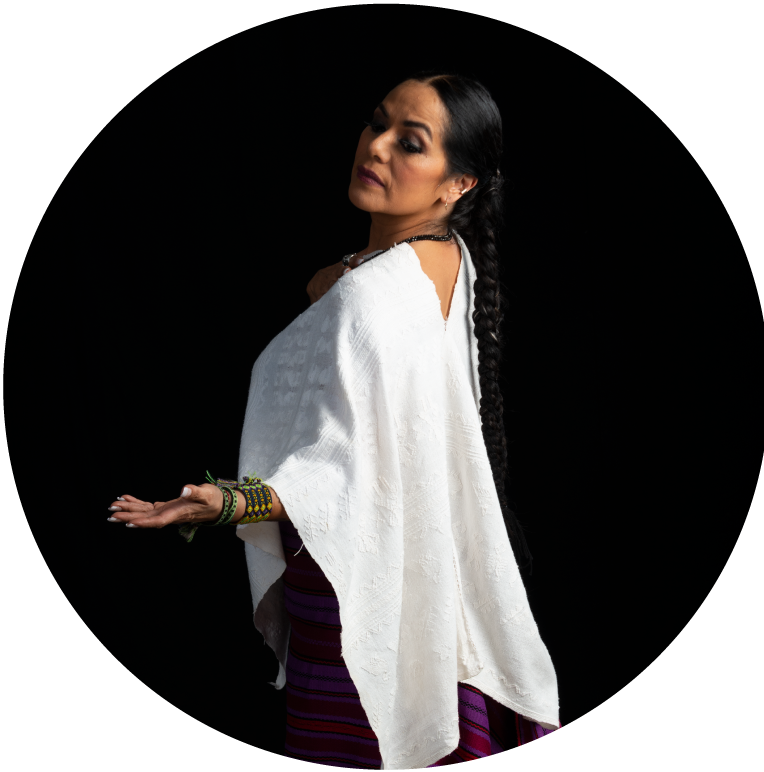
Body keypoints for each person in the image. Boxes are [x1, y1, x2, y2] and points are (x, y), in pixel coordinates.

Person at [107, 69, 561, 768]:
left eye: (409, 143)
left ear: (457, 185)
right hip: (404, 570)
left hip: (352, 582)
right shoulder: (446, 258)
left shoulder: (375, 295)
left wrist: (226, 503)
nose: (376, 147)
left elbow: (343, 469)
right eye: (377, 123)